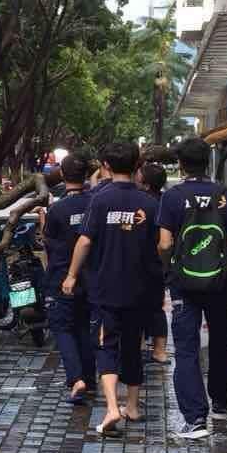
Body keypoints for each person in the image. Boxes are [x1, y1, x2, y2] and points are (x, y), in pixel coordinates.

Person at [157, 139, 227, 440]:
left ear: (180, 164)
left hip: (183, 285)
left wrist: (168, 268)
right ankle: (221, 403)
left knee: (187, 349)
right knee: (221, 340)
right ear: (207, 162)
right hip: (221, 282)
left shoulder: (172, 198)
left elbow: (165, 243)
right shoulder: (225, 196)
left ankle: (195, 420)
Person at [63, 141, 159, 435]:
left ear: (105, 166)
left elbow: (85, 241)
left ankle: (111, 407)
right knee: (133, 345)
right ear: (138, 167)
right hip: (140, 288)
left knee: (106, 345)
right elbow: (162, 244)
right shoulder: (150, 203)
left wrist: (71, 275)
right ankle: (133, 406)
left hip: (105, 288)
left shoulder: (100, 200)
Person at [42, 152, 97, 405]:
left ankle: (76, 380)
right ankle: (90, 379)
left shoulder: (57, 209)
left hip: (62, 277)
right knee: (84, 327)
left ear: (62, 175)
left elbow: (49, 245)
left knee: (63, 329)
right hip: (90, 278)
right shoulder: (96, 203)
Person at [136, 161, 170, 365]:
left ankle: (139, 346)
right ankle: (160, 351)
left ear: (146, 184)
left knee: (137, 306)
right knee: (157, 307)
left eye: (139, 175)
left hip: (142, 262)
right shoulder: (166, 201)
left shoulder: (142, 203)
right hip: (159, 265)